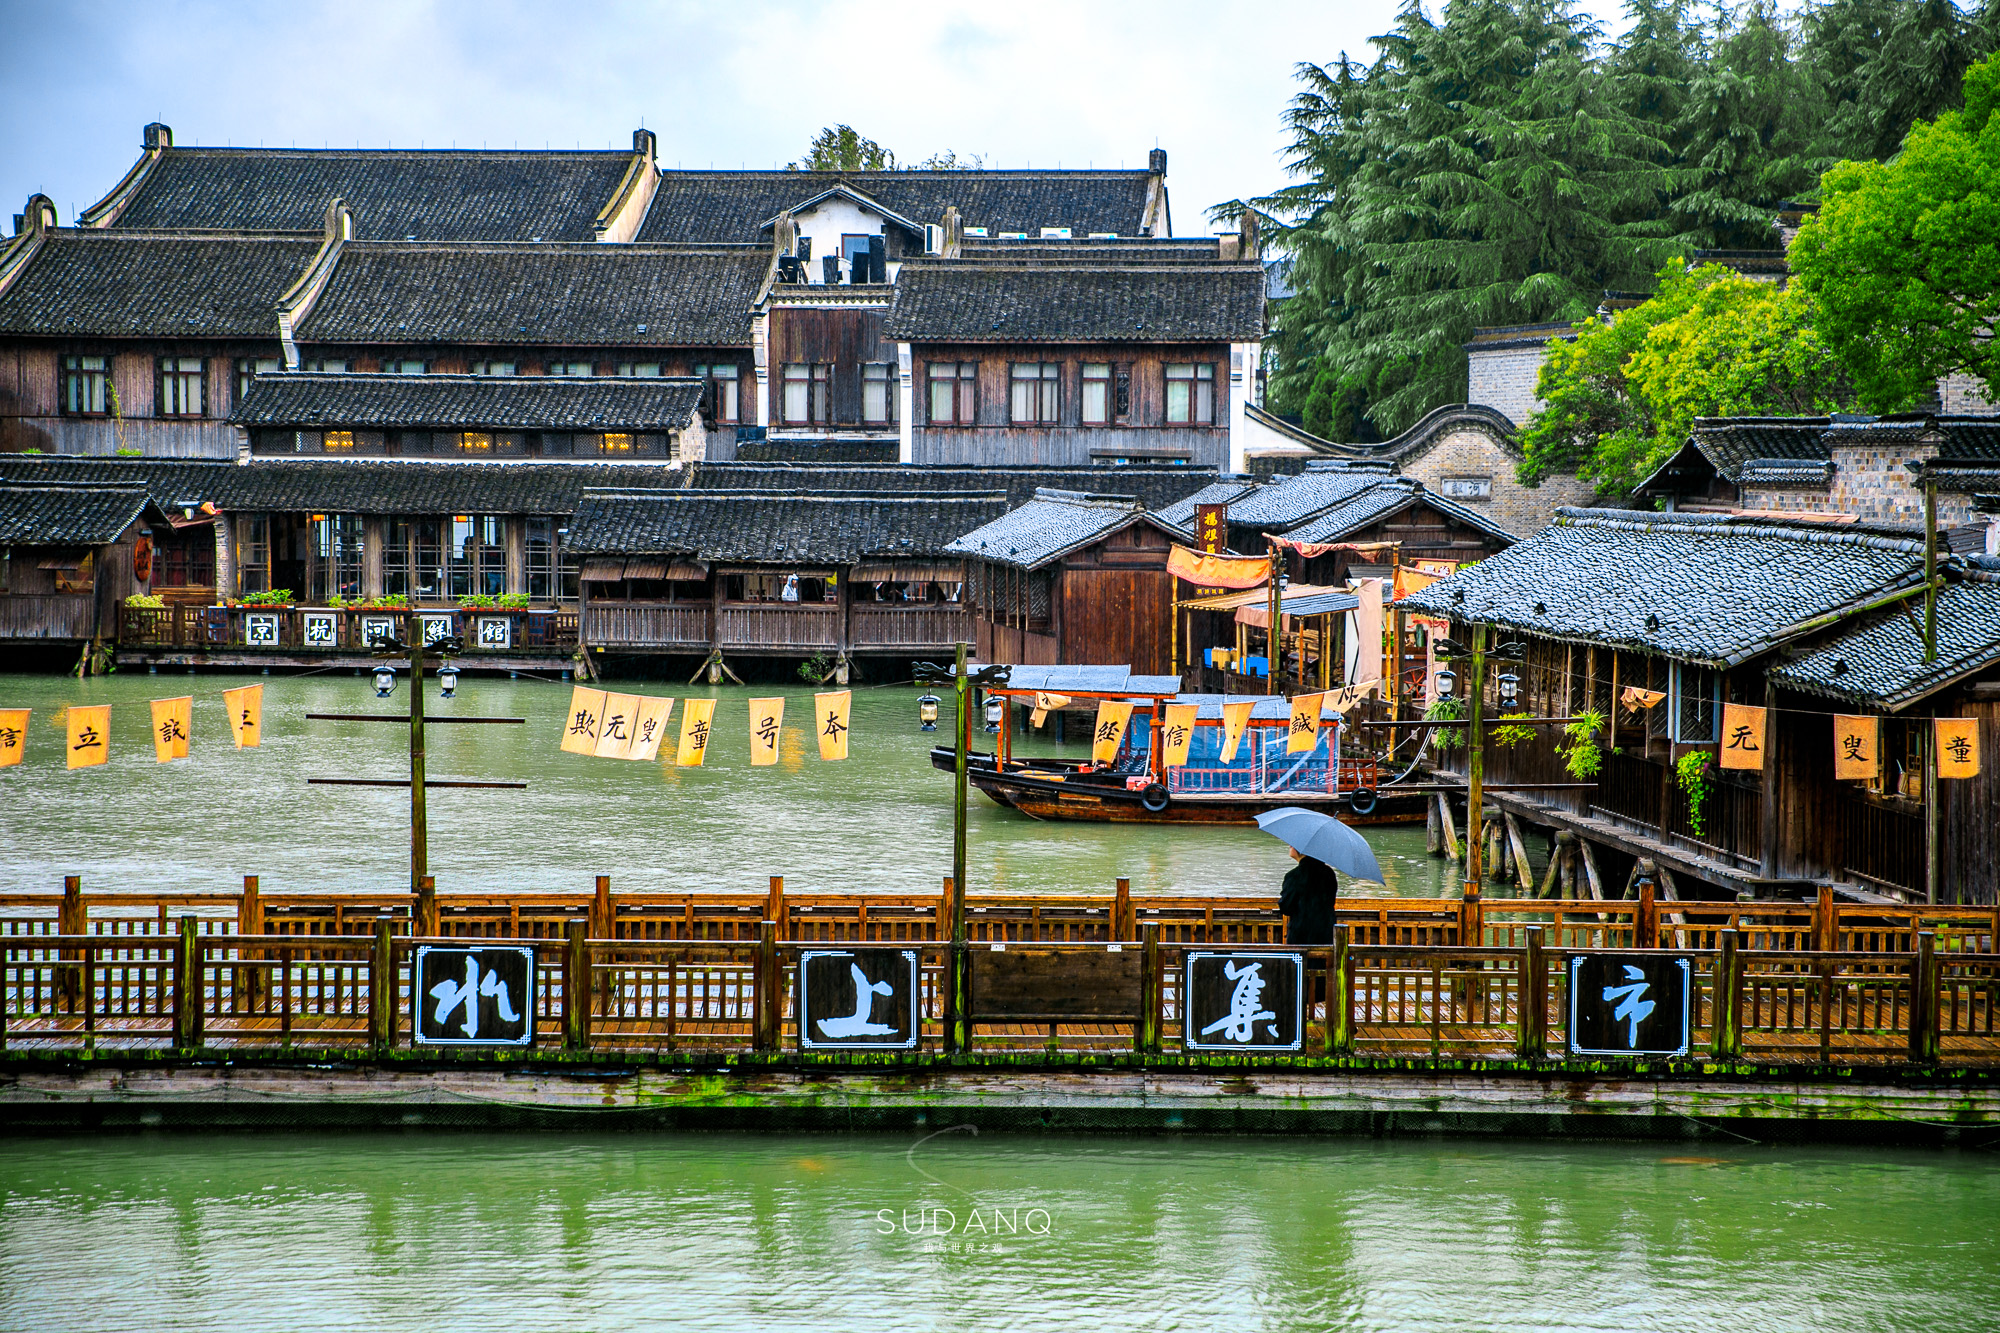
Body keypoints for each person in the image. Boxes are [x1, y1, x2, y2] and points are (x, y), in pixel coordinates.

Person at [1277, 846, 1340, 946]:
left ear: (1302, 850)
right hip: (1325, 934)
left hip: (1301, 935)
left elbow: (1286, 907)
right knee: (1324, 961)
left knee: (1299, 961)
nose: (1290, 846)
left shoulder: (1294, 875)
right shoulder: (1329, 873)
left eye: (1293, 845)